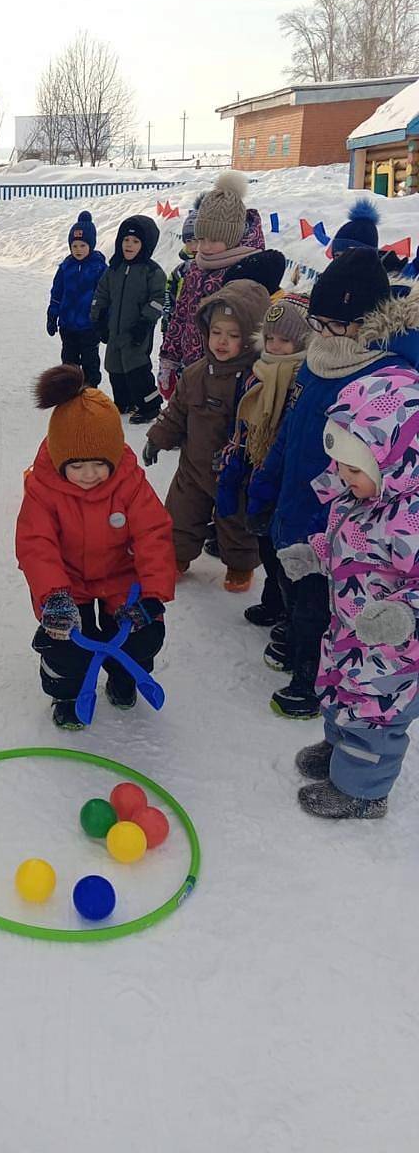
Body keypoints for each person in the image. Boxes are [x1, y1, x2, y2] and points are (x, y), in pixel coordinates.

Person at [248, 250, 419, 719]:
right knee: (289, 576)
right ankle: (293, 633)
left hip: (341, 512)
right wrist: (266, 483)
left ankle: (311, 678)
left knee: (321, 603)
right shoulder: (316, 360)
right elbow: (291, 428)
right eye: (318, 324)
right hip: (296, 496)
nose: (323, 334)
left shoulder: (381, 376)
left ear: (367, 321)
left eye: (335, 325)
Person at [16, 364, 174, 728]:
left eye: (99, 464)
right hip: (68, 582)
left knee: (141, 635)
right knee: (67, 644)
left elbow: (154, 534)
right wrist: (54, 594)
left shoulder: (129, 483)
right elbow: (35, 544)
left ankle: (124, 676)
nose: (89, 475)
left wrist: (153, 594)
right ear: (60, 459)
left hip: (122, 577)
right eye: (77, 466)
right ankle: (67, 693)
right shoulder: (44, 489)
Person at [293, 367, 419, 819]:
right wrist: (314, 554)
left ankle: (363, 792)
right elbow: (350, 545)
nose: (344, 478)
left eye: (354, 469)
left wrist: (403, 614)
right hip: (349, 631)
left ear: (394, 463)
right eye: (341, 467)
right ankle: (339, 752)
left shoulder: (411, 518)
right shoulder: (362, 497)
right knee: (340, 692)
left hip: (392, 652)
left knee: (374, 716)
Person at [143, 280, 270, 591]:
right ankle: (176, 556)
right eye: (216, 333)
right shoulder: (196, 373)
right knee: (181, 513)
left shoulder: (257, 380)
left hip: (234, 472)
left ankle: (240, 564)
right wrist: (158, 437)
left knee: (235, 520)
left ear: (252, 338)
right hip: (193, 465)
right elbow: (177, 411)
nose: (222, 342)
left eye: (233, 336)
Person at [216, 293, 310, 633]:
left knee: (284, 549)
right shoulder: (258, 373)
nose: (275, 346)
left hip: (287, 479)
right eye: (269, 338)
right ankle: (274, 603)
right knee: (266, 544)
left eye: (285, 339)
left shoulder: (303, 380)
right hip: (257, 473)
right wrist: (231, 470)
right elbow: (242, 426)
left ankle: (289, 612)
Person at [159, 171, 265, 399]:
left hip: (226, 376)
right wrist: (169, 358)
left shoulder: (247, 271)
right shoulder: (196, 267)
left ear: (233, 237)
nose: (204, 247)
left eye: (214, 240)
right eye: (201, 239)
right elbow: (180, 314)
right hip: (190, 367)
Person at [90, 214, 166, 423]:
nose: (129, 245)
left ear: (145, 245)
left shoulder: (152, 271)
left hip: (136, 331)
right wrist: (98, 318)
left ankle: (150, 406)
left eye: (135, 241)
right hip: (115, 329)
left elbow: (158, 299)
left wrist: (145, 322)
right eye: (126, 240)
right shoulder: (114, 268)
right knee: (114, 366)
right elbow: (101, 293)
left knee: (136, 368)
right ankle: (123, 402)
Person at [46, 211, 106, 387]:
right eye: (75, 246)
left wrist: (104, 321)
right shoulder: (66, 267)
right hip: (67, 326)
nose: (78, 249)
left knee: (90, 362)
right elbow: (57, 293)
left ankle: (90, 390)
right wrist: (52, 315)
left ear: (91, 245)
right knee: (68, 362)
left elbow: (105, 296)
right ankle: (70, 390)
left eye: (83, 245)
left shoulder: (99, 268)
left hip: (89, 326)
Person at [162, 205, 199, 335]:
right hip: (180, 323)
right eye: (189, 241)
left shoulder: (212, 269)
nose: (193, 246)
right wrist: (167, 318)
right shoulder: (180, 271)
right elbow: (168, 292)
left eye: (197, 240)